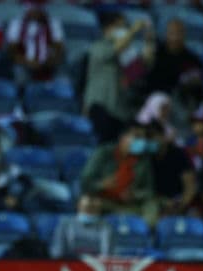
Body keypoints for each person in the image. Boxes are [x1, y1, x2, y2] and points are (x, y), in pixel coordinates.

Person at [84, 12, 152, 144]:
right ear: (107, 29)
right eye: (120, 27)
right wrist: (133, 30)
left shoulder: (127, 52)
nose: (124, 31)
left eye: (125, 27)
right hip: (101, 106)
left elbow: (143, 67)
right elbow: (113, 51)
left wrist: (148, 41)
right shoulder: (98, 46)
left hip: (120, 109)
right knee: (105, 146)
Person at [80, 123, 159, 225]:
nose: (142, 141)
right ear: (123, 138)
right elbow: (85, 182)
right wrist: (101, 185)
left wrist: (135, 195)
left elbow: (149, 190)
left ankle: (144, 234)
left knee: (152, 204)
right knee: (88, 201)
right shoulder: (104, 153)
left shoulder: (144, 160)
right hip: (105, 202)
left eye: (143, 138)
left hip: (131, 205)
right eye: (137, 137)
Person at [7, 0, 65, 84]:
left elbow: (59, 48)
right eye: (32, 8)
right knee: (19, 74)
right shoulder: (17, 24)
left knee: (62, 79)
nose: (36, 11)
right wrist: (27, 62)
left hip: (48, 64)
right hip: (24, 64)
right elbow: (12, 51)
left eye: (38, 8)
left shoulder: (53, 23)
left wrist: (47, 62)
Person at [50, 194, 112, 258]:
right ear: (78, 206)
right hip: (68, 263)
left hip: (97, 265)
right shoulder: (65, 224)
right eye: (87, 208)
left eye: (94, 208)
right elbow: (57, 252)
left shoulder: (106, 227)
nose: (90, 211)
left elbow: (107, 255)